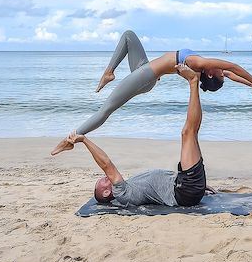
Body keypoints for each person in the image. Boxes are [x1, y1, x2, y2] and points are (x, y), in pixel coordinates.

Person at [51, 29, 252, 155]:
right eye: (222, 73)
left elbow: (232, 67)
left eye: (220, 74)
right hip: (145, 70)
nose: (222, 71)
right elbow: (232, 74)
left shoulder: (200, 63)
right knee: (128, 36)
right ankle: (109, 72)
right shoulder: (205, 68)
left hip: (146, 77)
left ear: (211, 75)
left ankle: (70, 139)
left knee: (106, 109)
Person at [62, 64, 211, 208]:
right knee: (188, 133)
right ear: (107, 192)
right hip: (185, 190)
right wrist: (84, 139)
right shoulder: (122, 193)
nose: (106, 177)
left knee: (191, 133)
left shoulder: (129, 186)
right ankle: (193, 81)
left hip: (185, 185)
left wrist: (200, 186)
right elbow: (106, 164)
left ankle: (194, 81)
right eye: (104, 181)